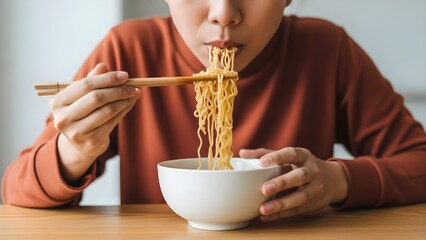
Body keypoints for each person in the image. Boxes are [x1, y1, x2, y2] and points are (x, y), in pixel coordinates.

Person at [2, 0, 426, 222]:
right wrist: (71, 153)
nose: (225, 13)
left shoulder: (326, 50)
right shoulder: (129, 50)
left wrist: (337, 181)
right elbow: (16, 191)